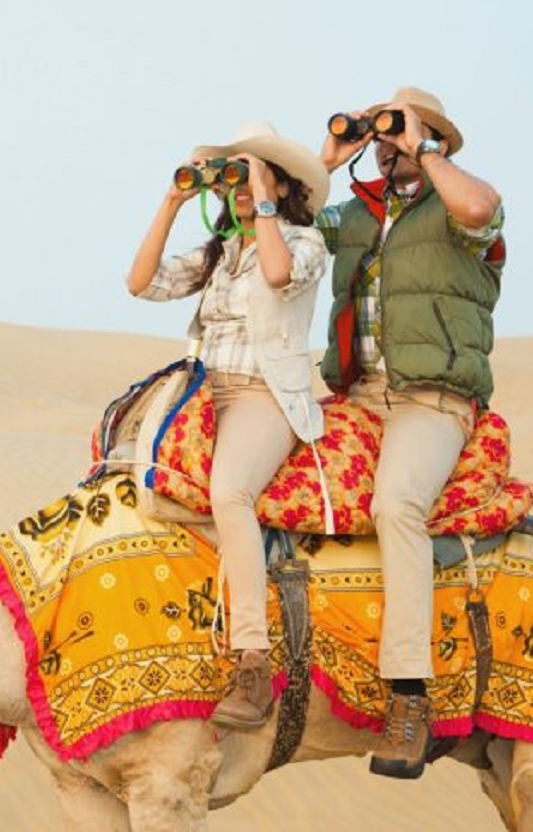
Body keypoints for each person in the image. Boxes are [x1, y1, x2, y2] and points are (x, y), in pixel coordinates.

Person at [317, 87, 505, 779]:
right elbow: (296, 227)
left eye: (399, 130)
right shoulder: (357, 214)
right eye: (382, 132)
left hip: (433, 397)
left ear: (436, 140)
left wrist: (423, 144)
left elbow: (480, 209)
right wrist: (330, 157)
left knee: (394, 503)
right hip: (359, 395)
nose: (387, 141)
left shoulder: (461, 210)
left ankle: (408, 692)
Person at [127, 122, 330, 731]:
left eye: (249, 171)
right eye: (232, 175)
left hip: (264, 395)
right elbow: (140, 284)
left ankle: (254, 659)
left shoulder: (303, 240)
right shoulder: (220, 252)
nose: (236, 185)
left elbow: (277, 276)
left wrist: (262, 196)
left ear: (280, 182)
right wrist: (173, 200)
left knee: (229, 493)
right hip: (202, 394)